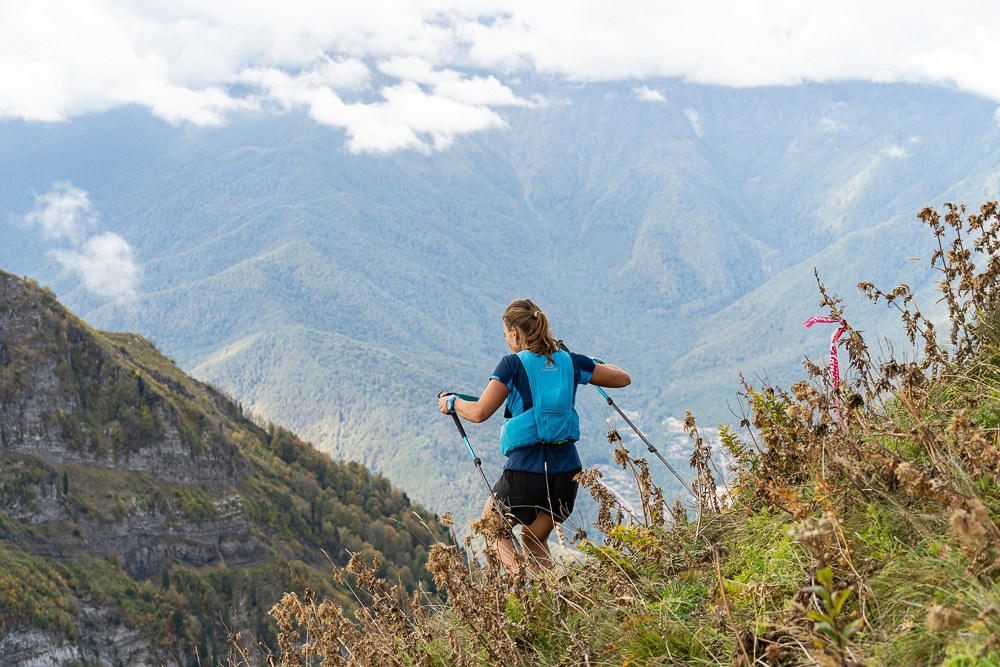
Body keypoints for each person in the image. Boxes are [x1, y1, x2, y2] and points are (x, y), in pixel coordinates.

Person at [437, 298, 631, 572]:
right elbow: (623, 378)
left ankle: (521, 593)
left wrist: (452, 402)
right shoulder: (571, 362)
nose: (507, 340)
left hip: (527, 470)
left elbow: (479, 412)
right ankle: (551, 599)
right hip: (566, 474)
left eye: (506, 334)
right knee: (533, 538)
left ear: (515, 332)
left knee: (494, 527)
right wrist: (588, 362)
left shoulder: (512, 365)